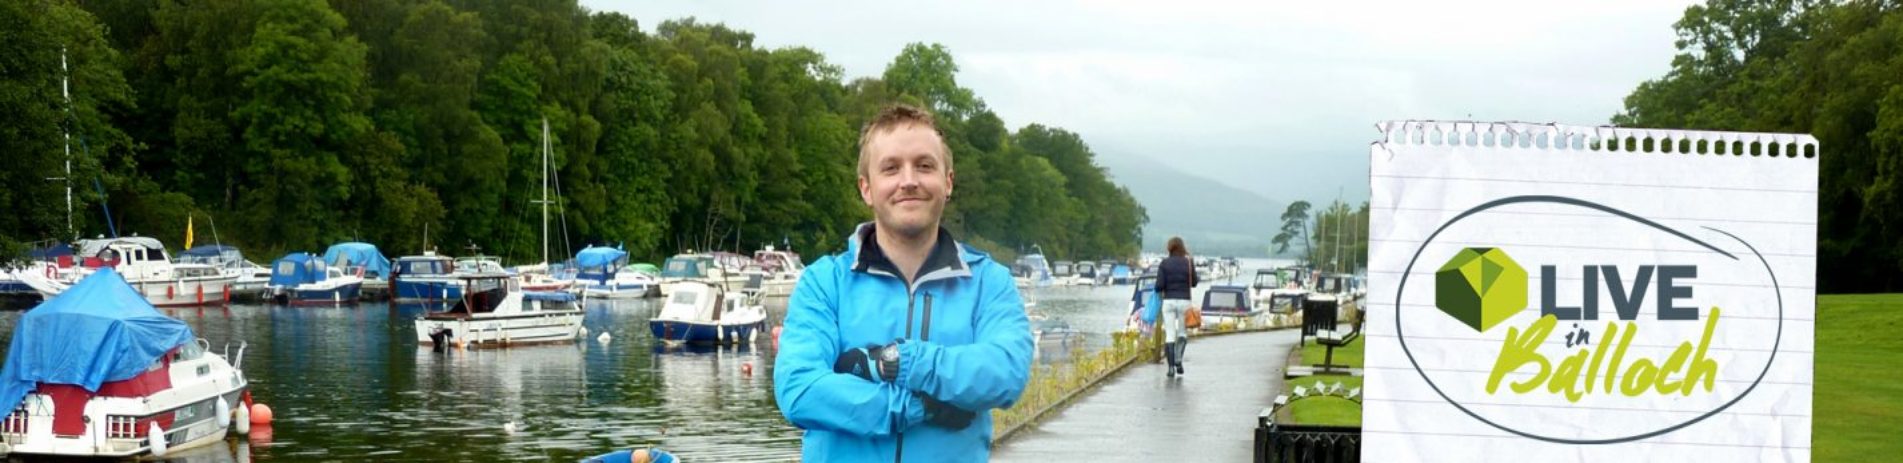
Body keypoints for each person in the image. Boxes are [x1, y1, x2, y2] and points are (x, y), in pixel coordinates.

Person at [774, 104, 1034, 462]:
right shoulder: (823, 283)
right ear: (867, 188)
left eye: (924, 166)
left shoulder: (989, 282)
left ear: (948, 182)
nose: (908, 180)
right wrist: (918, 408)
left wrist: (902, 361)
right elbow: (799, 389)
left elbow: (1005, 372)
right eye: (891, 168)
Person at [1158, 237, 1199, 378]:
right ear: (1182, 247)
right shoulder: (1188, 262)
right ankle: (1178, 360)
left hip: (1168, 301)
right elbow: (1194, 283)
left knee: (1170, 334)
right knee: (1182, 333)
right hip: (1184, 301)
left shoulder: (1164, 263)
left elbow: (1159, 286)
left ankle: (1170, 369)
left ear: (1170, 248)